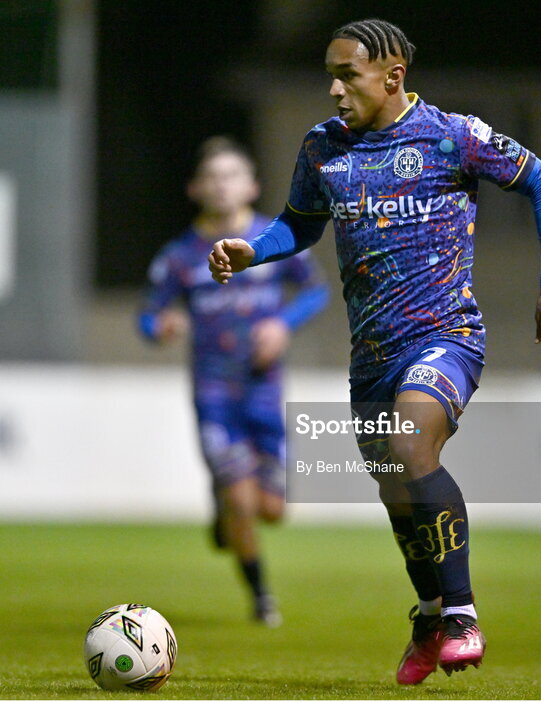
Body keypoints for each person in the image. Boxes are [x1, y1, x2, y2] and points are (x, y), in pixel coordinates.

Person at [208, 18, 541, 682]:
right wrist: (253, 250)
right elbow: (298, 224)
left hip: (446, 337)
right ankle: (430, 611)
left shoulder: (452, 136)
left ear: (392, 76)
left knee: (413, 445)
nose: (332, 88)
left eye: (346, 74)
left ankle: (462, 613)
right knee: (396, 490)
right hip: (371, 354)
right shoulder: (323, 148)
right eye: (330, 73)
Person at [139, 136, 328, 627]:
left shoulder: (270, 240)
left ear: (252, 185)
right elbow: (148, 316)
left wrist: (281, 325)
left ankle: (224, 511)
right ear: (196, 188)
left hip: (264, 390)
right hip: (215, 392)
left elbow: (316, 292)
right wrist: (161, 326)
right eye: (213, 177)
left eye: (232, 175)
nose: (222, 185)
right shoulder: (181, 256)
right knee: (243, 500)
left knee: (271, 510)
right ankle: (262, 597)